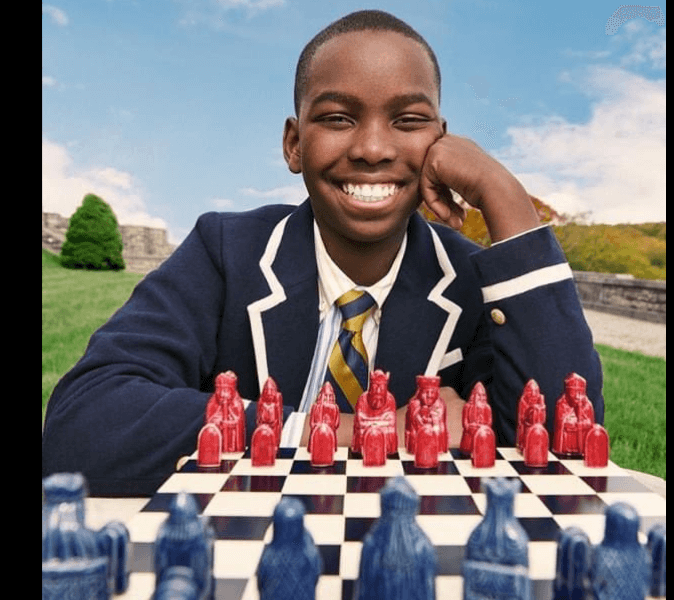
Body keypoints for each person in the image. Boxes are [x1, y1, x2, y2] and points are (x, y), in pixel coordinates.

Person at [41, 9, 603, 496]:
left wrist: (502, 194)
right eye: (338, 118)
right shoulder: (224, 251)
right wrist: (344, 429)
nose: (373, 148)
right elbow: (81, 427)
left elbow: (562, 445)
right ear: (294, 143)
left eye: (408, 121)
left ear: (442, 139)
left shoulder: (469, 279)